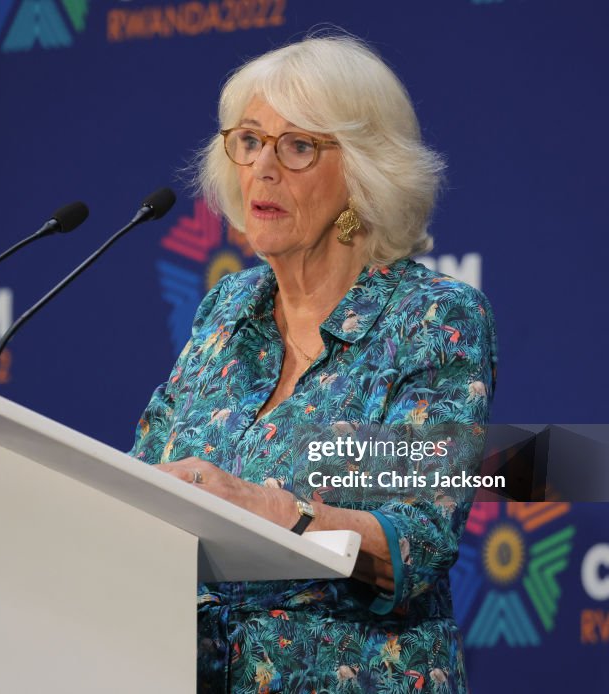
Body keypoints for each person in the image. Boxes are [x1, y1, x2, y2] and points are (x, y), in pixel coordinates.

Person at [130, 33, 497, 693]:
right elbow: (144, 481)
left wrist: (265, 508)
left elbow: (417, 536)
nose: (262, 170)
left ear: (363, 171)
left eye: (297, 147)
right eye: (248, 141)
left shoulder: (428, 320)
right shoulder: (226, 312)